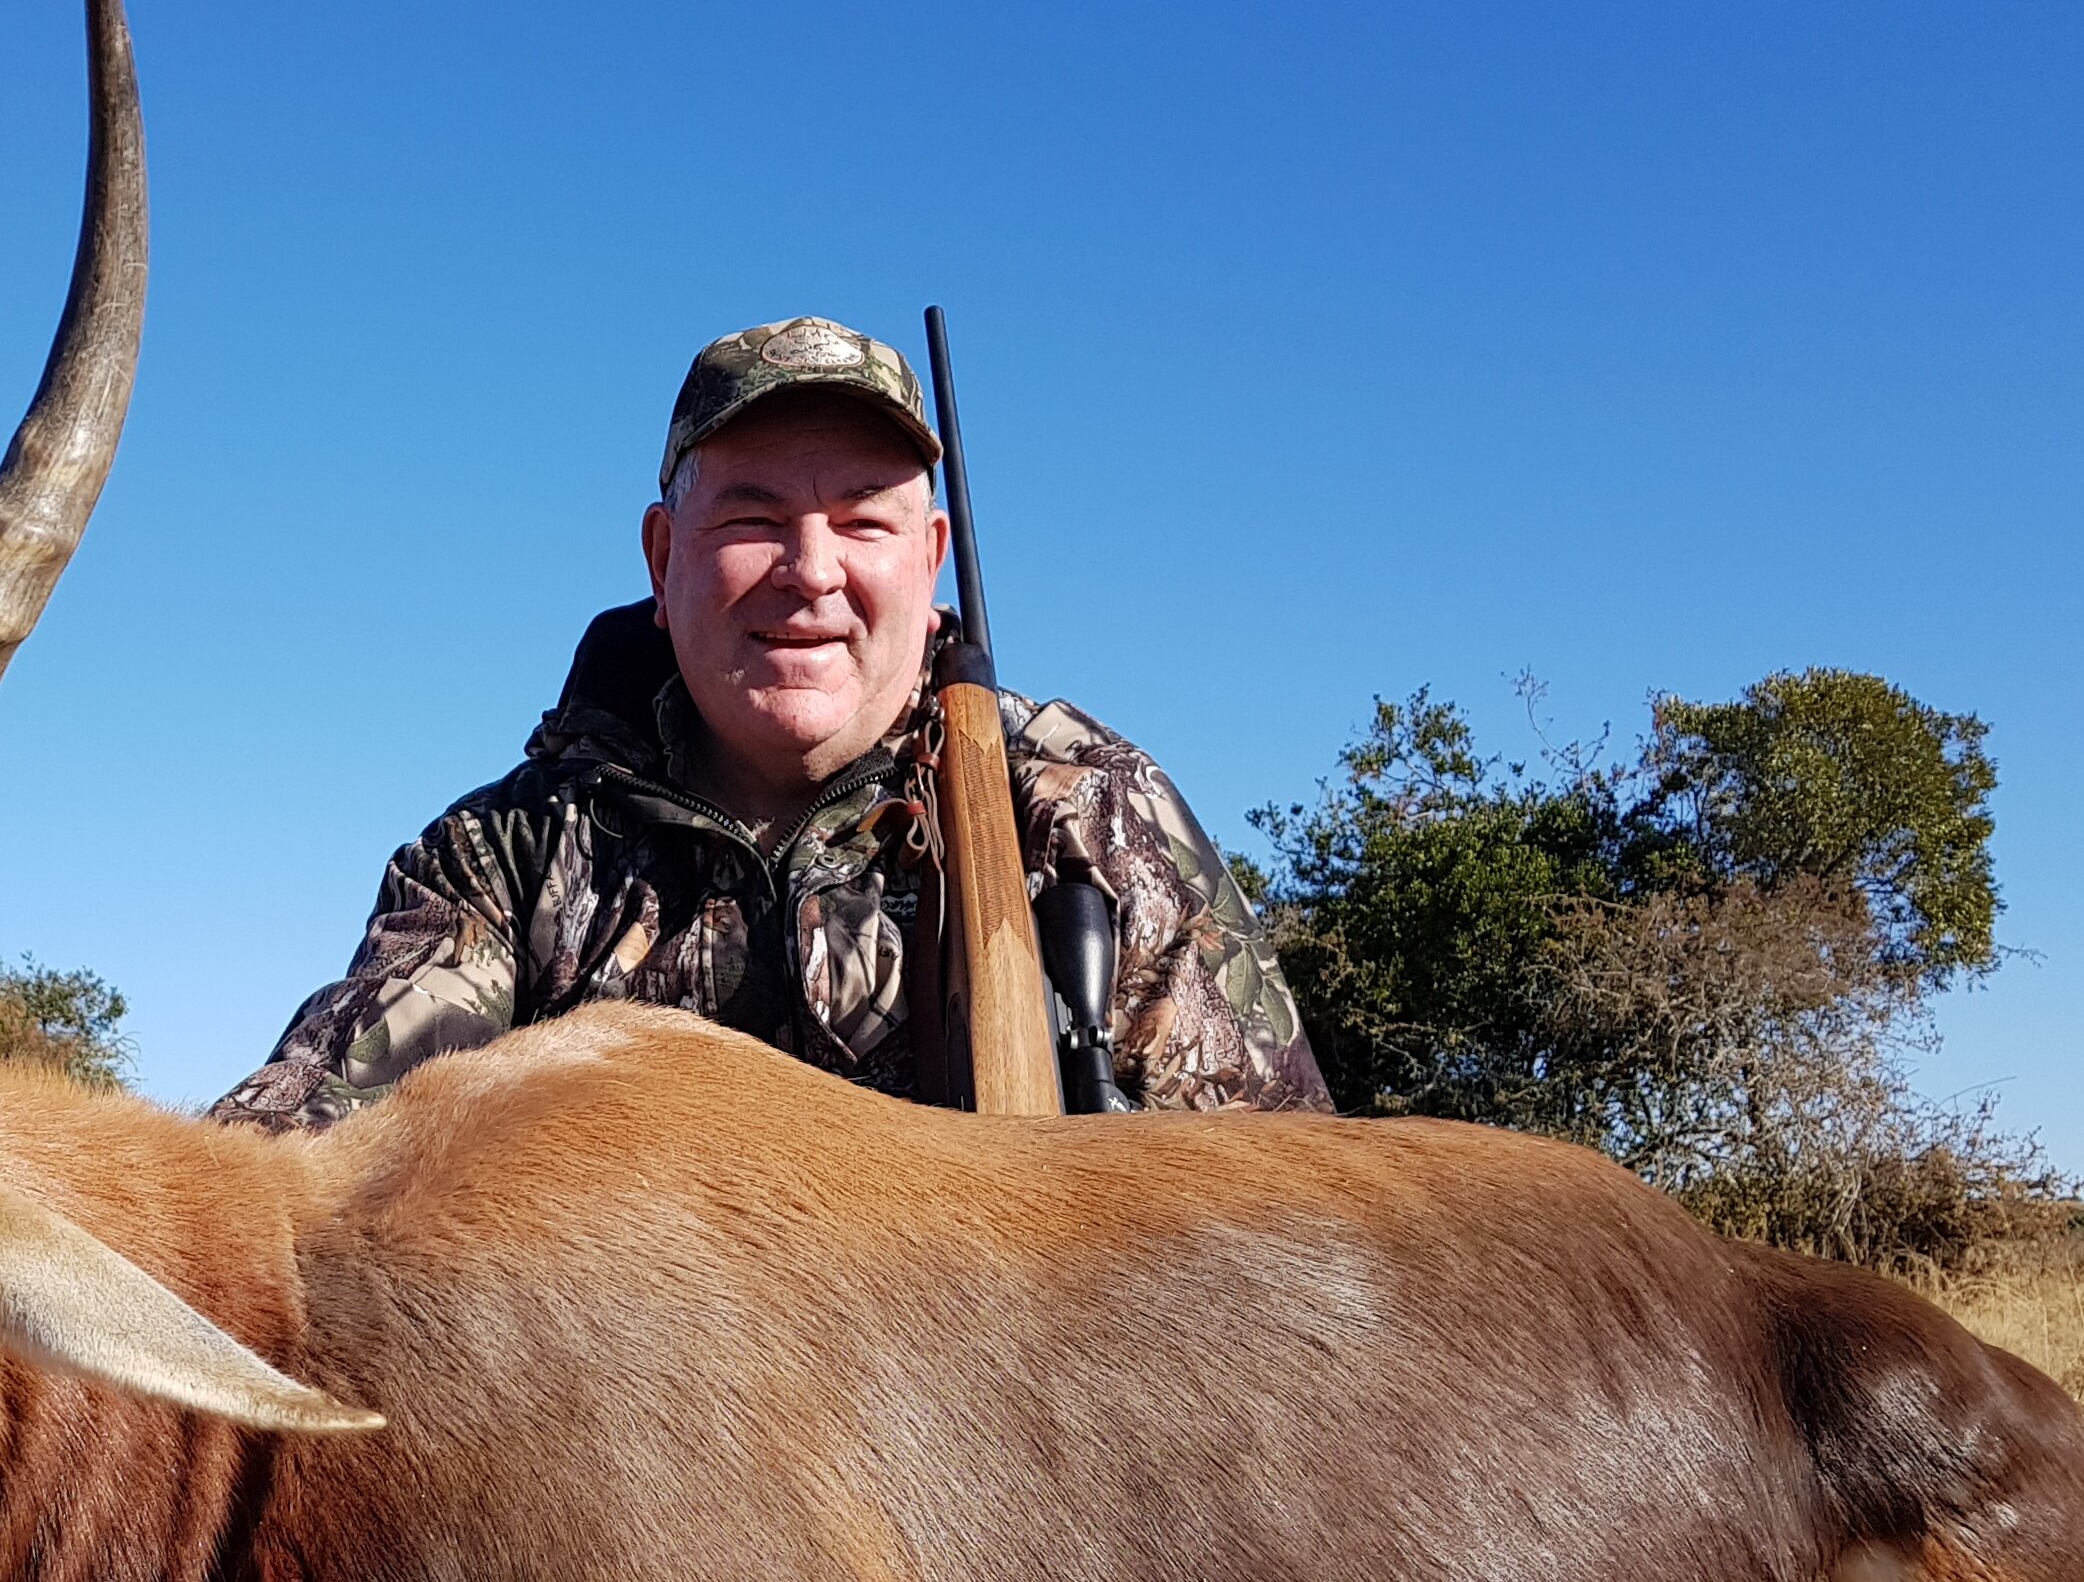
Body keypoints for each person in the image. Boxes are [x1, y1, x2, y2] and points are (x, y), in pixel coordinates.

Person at [214, 317, 1329, 1129]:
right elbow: (298, 1158)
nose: (811, 573)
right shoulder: (504, 858)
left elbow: (1294, 1229)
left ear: (932, 562)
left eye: (863, 523)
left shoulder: (1086, 811)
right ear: (661, 559)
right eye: (753, 518)